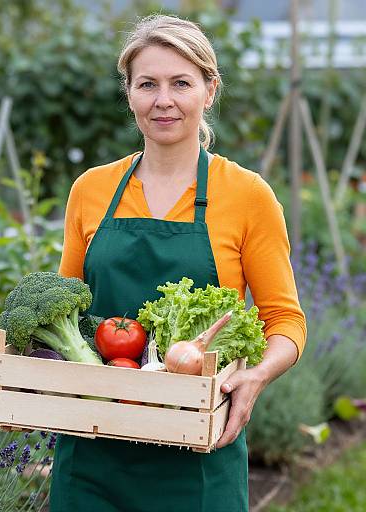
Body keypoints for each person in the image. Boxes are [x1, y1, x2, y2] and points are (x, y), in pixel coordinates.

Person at [49, 13, 306, 512]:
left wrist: (255, 376)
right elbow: (67, 303)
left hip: (197, 453)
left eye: (180, 83)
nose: (163, 100)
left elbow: (286, 320)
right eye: (147, 84)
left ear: (209, 90)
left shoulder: (247, 195)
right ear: (129, 94)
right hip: (94, 447)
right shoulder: (92, 190)